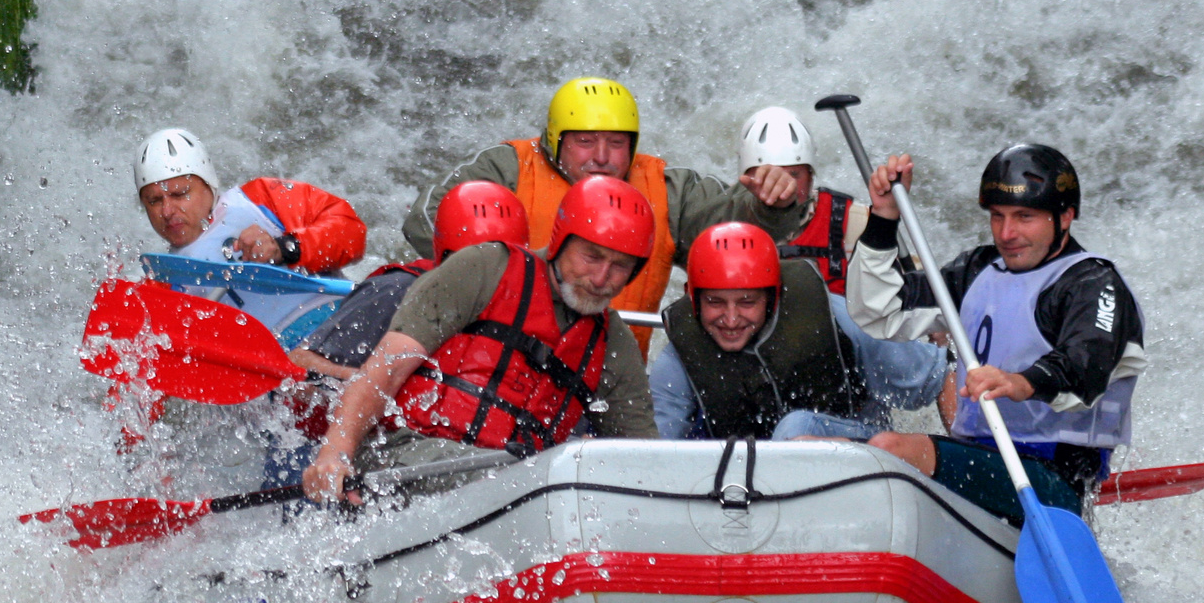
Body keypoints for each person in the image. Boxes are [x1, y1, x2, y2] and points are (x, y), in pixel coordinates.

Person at [304, 175, 660, 502]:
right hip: (407, 454)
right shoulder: (485, 268)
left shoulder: (615, 345)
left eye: (620, 267)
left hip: (519, 488)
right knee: (524, 482)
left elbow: (644, 462)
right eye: (592, 257)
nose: (601, 279)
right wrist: (336, 451)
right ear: (559, 241)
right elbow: (386, 368)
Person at [400, 77, 811, 354]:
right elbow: (427, 219)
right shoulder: (508, 168)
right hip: (497, 353)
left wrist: (768, 207)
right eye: (584, 142)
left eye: (616, 143)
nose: (601, 156)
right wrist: (498, 270)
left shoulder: (670, 190)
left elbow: (731, 236)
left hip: (609, 368)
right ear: (555, 141)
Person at [847, 144, 1147, 523]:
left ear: (1065, 217)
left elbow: (1086, 366)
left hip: (1052, 484)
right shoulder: (978, 271)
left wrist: (1020, 382)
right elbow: (879, 309)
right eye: (997, 216)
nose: (1007, 233)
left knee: (890, 447)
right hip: (979, 462)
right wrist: (883, 218)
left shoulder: (1094, 285)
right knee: (827, 450)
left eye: (1025, 217)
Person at [650, 222, 946, 440]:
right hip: (751, 485)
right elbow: (656, 452)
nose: (730, 319)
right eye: (715, 302)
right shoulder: (678, 359)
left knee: (796, 429)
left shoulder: (838, 317)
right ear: (693, 299)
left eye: (746, 302)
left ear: (773, 296)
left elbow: (944, 376)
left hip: (857, 460)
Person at [133, 127, 367, 342]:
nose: (167, 211)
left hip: (338, 318)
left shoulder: (263, 198)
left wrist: (285, 247)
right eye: (154, 201)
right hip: (281, 367)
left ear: (208, 184)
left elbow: (351, 233)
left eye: (180, 194)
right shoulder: (160, 282)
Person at [289, 181, 530, 382]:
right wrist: (370, 387)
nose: (485, 281)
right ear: (446, 257)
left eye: (499, 267)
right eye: (473, 267)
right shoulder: (395, 292)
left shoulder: (533, 311)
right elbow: (299, 363)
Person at [738, 106, 872, 295]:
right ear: (746, 178)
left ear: (811, 176)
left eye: (793, 174)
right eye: (768, 174)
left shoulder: (855, 222)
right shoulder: (724, 225)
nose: (783, 185)